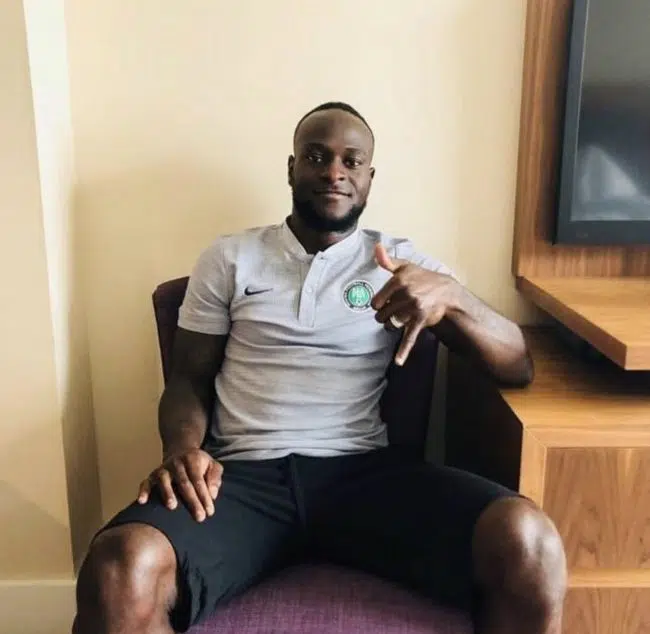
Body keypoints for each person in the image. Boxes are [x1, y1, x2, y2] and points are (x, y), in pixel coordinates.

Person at [72, 102, 567, 634]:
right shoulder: (231, 257)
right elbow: (188, 380)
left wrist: (452, 296)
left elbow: (517, 364)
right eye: (316, 156)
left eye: (351, 161)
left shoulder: (398, 262)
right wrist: (182, 450)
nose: (334, 172)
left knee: (529, 541)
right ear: (291, 169)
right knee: (120, 566)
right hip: (242, 482)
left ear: (369, 178)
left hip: (366, 479)